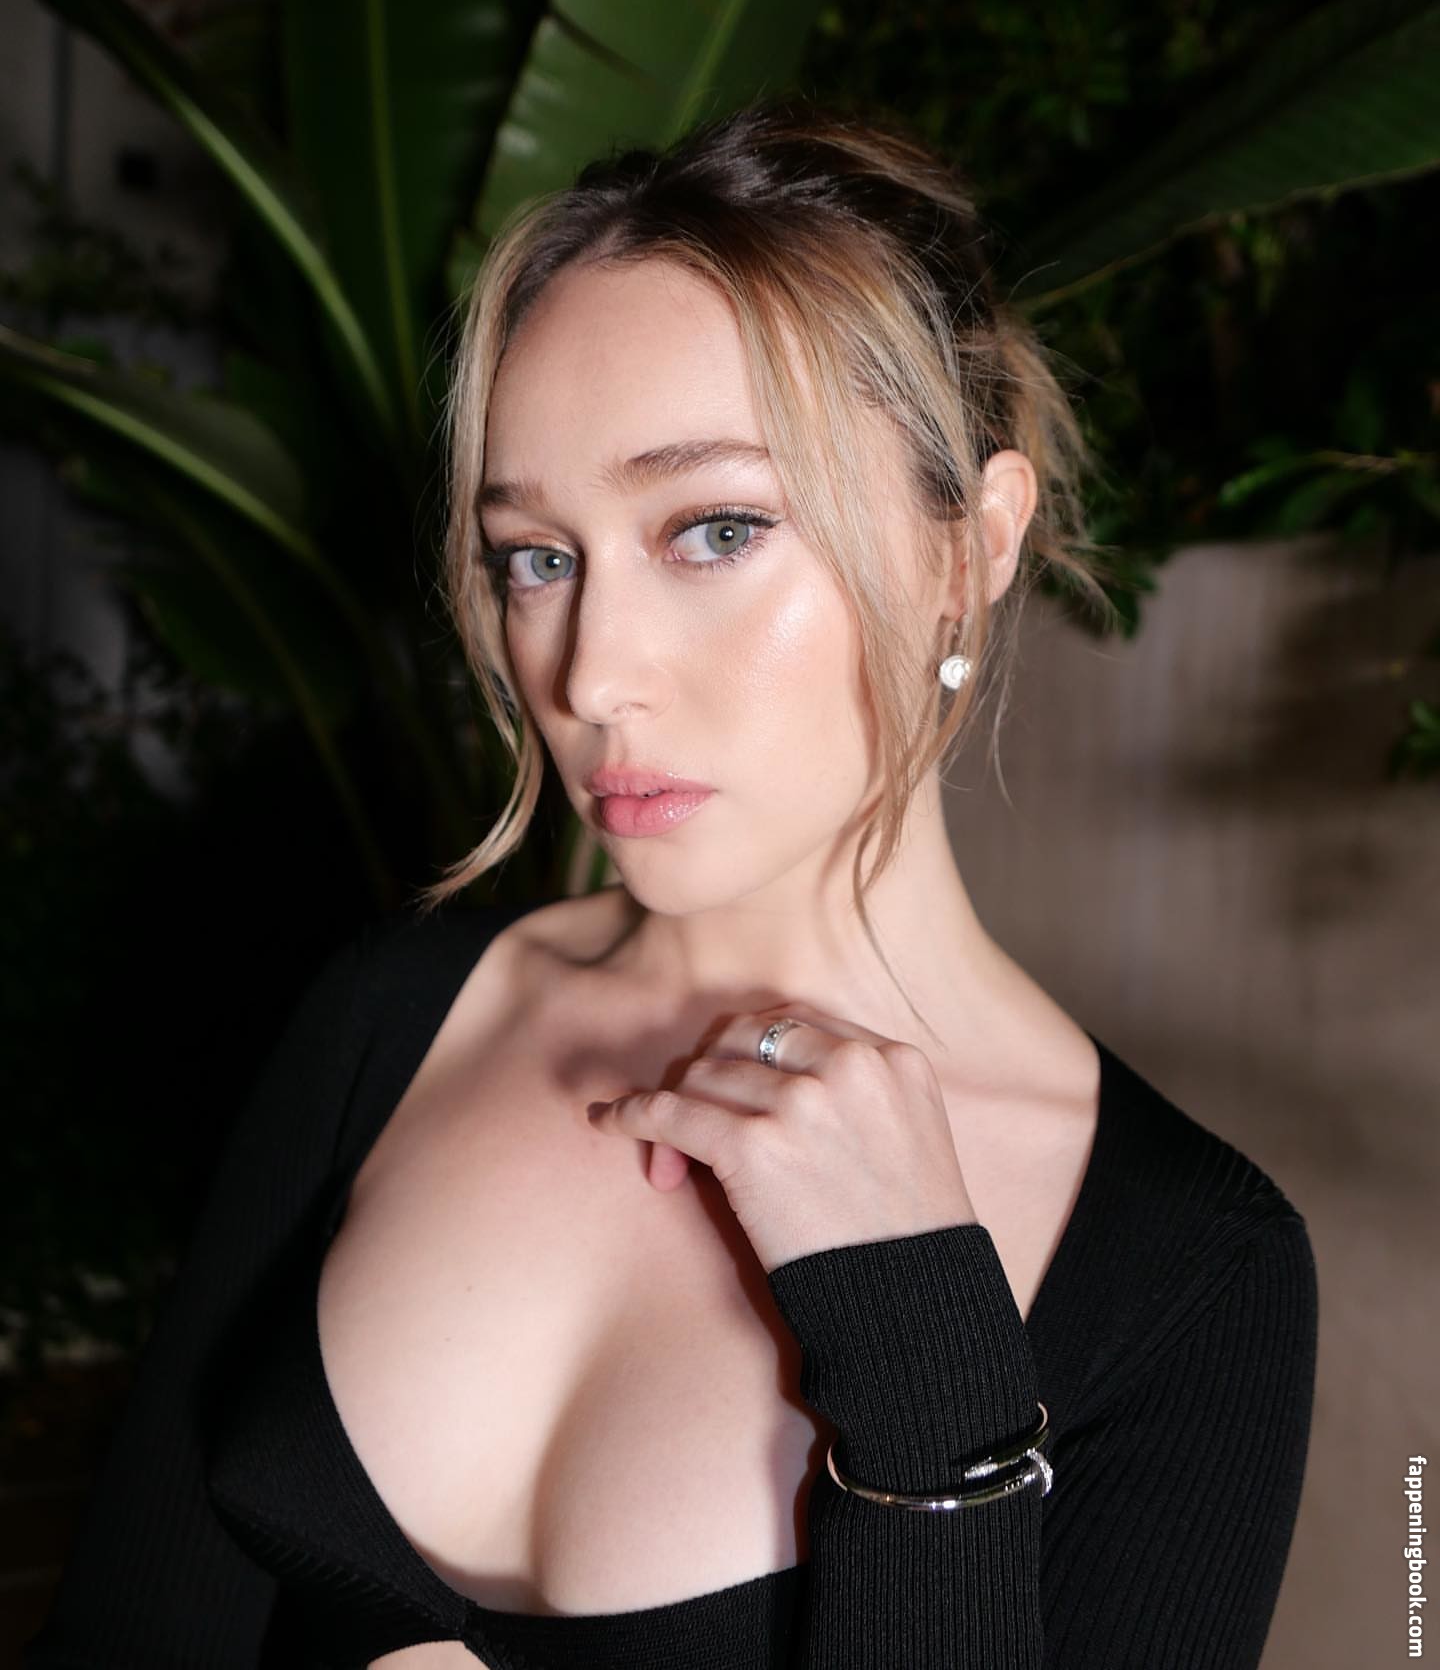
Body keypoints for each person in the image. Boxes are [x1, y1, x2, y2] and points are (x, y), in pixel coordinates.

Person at [24, 96, 1318, 1670]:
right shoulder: (393, 1019)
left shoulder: (1193, 1269)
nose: (591, 675)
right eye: (538, 556)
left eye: (714, 529)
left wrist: (924, 1356)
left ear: (970, 547)